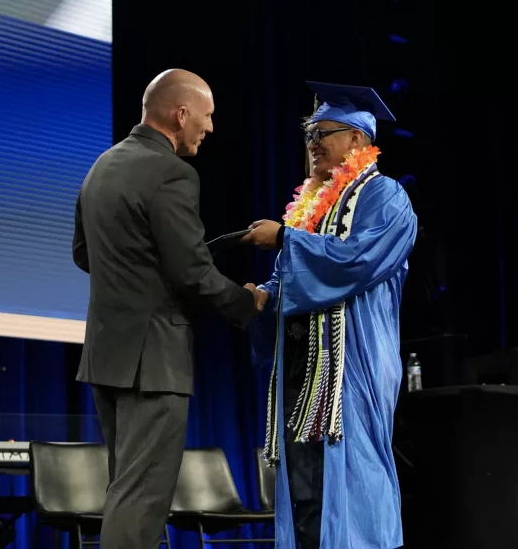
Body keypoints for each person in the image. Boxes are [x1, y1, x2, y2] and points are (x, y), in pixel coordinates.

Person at [72, 69, 263, 549]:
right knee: (140, 502)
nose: (211, 126)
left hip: (106, 356)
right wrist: (249, 303)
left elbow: (84, 254)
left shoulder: (103, 164)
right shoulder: (174, 172)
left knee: (126, 491)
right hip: (152, 361)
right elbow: (191, 273)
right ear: (181, 115)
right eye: (207, 114)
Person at [243, 81, 417, 548]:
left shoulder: (387, 198)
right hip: (302, 369)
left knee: (354, 479)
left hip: (351, 367)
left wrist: (283, 238)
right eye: (309, 137)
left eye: (324, 134)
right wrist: (262, 296)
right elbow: (288, 276)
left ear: (358, 139)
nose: (313, 145)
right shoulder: (311, 209)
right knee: (305, 488)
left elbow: (355, 260)